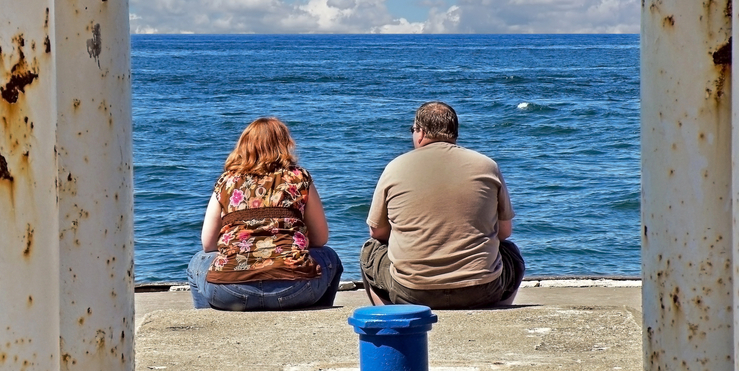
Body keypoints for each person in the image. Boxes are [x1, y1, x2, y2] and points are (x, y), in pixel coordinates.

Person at [360, 101, 525, 310]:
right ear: (454, 133)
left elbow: (377, 233)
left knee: (370, 250)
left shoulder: (395, 167)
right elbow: (504, 232)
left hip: (411, 292)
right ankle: (497, 310)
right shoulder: (487, 165)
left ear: (420, 132)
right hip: (481, 290)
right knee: (511, 252)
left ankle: (390, 314)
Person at [187, 117, 343, 311]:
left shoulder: (226, 182)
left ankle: (208, 322)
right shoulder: (299, 177)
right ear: (284, 145)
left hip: (230, 292)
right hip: (295, 290)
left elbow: (208, 244)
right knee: (330, 257)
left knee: (197, 261)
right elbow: (320, 239)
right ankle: (316, 314)